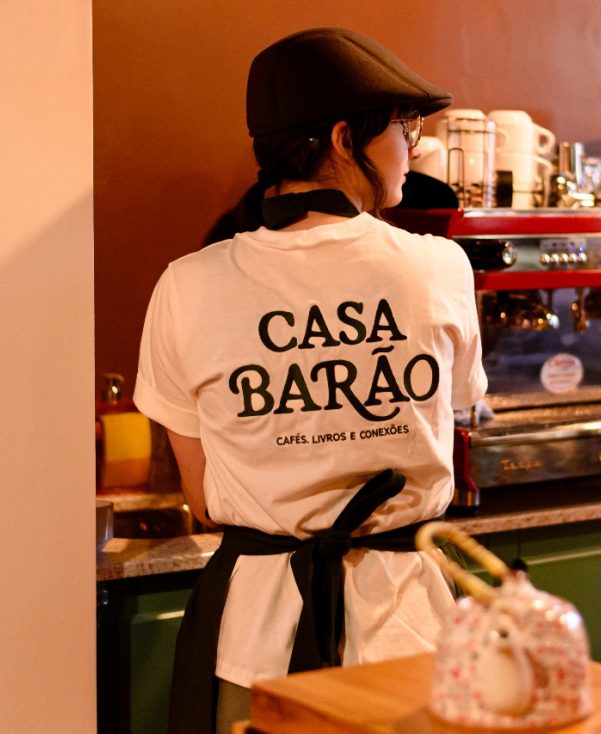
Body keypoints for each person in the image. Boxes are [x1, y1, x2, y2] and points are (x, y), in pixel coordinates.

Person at [133, 27, 488, 734]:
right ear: (341, 137)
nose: (413, 146)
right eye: (403, 126)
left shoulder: (187, 285)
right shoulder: (440, 267)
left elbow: (202, 497)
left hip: (255, 642)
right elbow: (456, 422)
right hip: (409, 632)